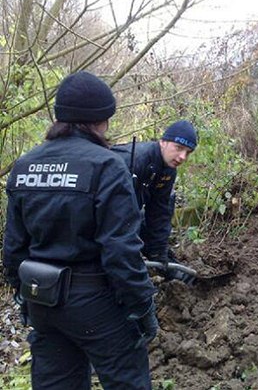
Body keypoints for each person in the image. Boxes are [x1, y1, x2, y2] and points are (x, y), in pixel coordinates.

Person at [2, 71, 158, 389]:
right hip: (95, 302)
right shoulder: (107, 166)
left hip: (42, 300)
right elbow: (121, 251)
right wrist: (142, 306)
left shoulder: (25, 165)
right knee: (127, 381)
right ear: (97, 120)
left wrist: (23, 296)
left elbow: (14, 246)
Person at [112, 120, 197, 279]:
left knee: (154, 241)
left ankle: (182, 279)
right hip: (99, 218)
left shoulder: (168, 170)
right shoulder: (134, 160)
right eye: (178, 148)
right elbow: (115, 216)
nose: (182, 157)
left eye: (188, 152)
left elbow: (160, 211)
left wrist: (158, 250)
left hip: (127, 217)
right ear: (163, 142)